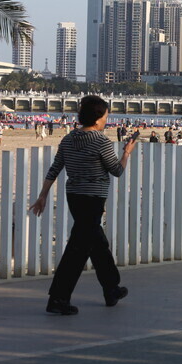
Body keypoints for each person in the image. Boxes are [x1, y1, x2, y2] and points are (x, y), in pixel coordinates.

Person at [29, 95, 137, 316]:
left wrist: (43, 195)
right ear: (98, 118)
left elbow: (55, 168)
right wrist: (126, 153)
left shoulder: (69, 139)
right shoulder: (101, 141)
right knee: (78, 250)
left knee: (96, 242)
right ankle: (58, 298)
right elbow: (116, 171)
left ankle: (111, 289)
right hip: (93, 199)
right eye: (106, 116)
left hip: (74, 198)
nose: (107, 119)